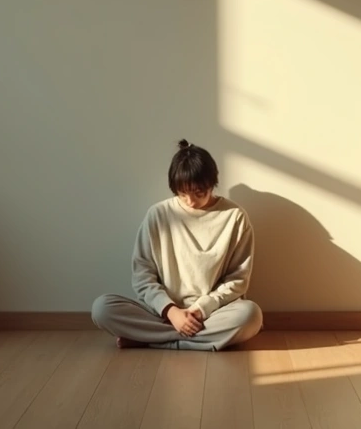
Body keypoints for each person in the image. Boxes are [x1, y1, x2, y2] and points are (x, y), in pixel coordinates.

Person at [91, 139, 263, 350]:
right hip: (162, 313)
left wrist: (200, 310)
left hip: (210, 315)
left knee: (250, 315)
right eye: (182, 194)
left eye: (199, 193)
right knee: (102, 308)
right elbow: (143, 275)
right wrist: (171, 311)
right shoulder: (158, 215)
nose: (190, 201)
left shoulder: (235, 217)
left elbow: (237, 280)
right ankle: (194, 340)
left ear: (212, 183)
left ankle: (150, 339)